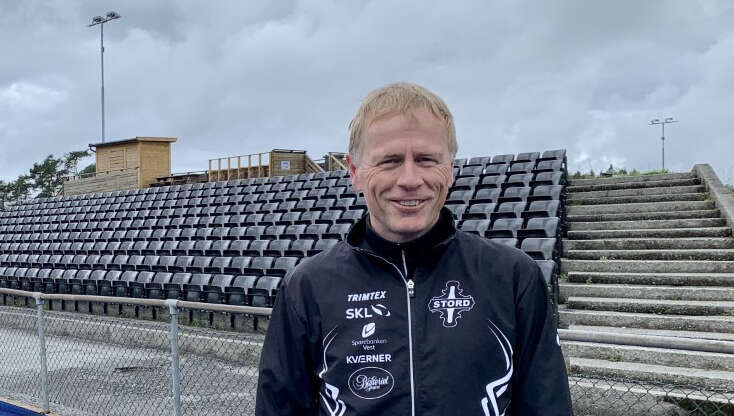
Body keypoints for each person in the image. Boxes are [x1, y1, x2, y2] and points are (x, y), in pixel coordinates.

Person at [256, 82, 574, 415]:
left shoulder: (513, 278)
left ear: (450, 169)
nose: (409, 179)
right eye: (389, 161)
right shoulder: (307, 287)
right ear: (355, 172)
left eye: (426, 159)